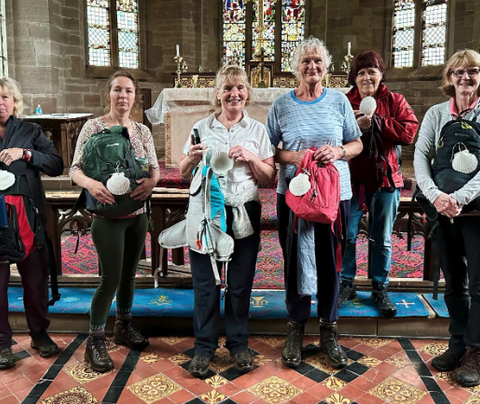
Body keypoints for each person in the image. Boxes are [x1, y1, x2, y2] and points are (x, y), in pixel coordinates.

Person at [266, 36, 362, 370]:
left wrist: (337, 152)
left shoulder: (338, 101)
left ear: (327, 66)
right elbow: (271, 151)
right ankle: (295, 329)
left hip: (335, 196)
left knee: (330, 260)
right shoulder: (281, 104)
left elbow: (356, 144)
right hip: (294, 195)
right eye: (306, 61)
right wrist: (300, 157)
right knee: (294, 260)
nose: (312, 67)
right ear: (296, 67)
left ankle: (328, 330)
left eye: (318, 61)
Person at [179, 65, 275, 378]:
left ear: (247, 93)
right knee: (205, 282)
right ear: (218, 93)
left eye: (240, 88)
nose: (234, 94)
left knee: (239, 282)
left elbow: (269, 177)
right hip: (206, 212)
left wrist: (251, 157)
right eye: (227, 88)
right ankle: (204, 347)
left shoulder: (258, 131)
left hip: (244, 209)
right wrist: (192, 158)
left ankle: (237, 344)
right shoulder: (201, 127)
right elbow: (182, 170)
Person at [70, 71, 160, 373]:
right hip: (107, 218)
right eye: (117, 90)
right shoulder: (93, 127)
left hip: (136, 216)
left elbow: (154, 168)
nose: (123, 96)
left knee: (129, 276)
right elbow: (75, 169)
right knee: (109, 278)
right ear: (109, 94)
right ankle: (94, 340)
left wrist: (151, 183)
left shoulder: (142, 132)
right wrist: (91, 185)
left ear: (136, 96)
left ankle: (123, 325)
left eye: (129, 91)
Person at [414, 49, 480, 387]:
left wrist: (459, 197)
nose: (465, 78)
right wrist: (436, 196)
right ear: (449, 78)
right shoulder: (436, 113)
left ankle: (476, 350)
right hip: (442, 209)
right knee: (454, 281)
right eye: (459, 72)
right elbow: (421, 157)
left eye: (472, 71)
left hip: (477, 212)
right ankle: (457, 343)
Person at [338, 50, 418, 316]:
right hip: (350, 182)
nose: (366, 77)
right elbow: (331, 134)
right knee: (347, 235)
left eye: (372, 70)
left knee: (381, 238)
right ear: (354, 77)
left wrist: (379, 123)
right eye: (361, 72)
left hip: (385, 181)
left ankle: (379, 287)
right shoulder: (343, 101)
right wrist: (356, 127)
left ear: (381, 74)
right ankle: (346, 283)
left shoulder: (395, 100)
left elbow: (409, 131)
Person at [0, 78, 63, 370]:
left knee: (34, 278)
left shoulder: (29, 130)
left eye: (4, 97)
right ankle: (1, 343)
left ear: (14, 102)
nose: (0, 103)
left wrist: (25, 154)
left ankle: (39, 333)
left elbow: (55, 164)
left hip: (27, 215)